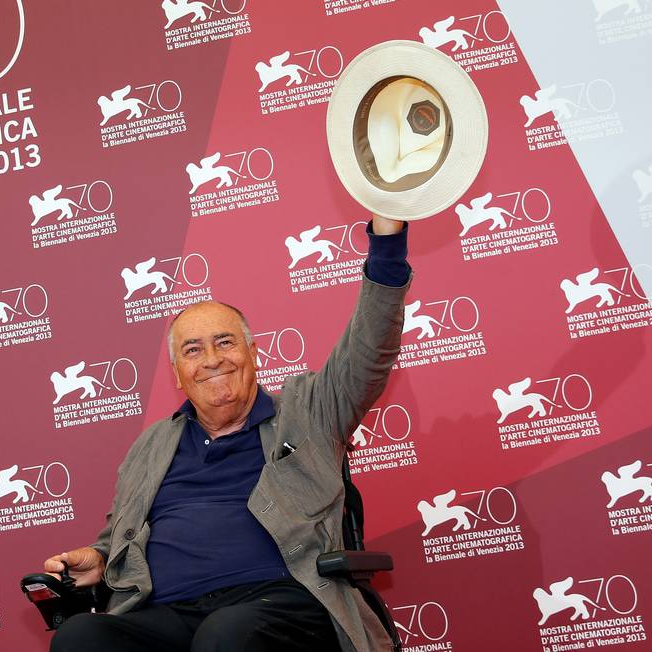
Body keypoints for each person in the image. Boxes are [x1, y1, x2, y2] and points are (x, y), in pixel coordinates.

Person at [44, 213, 411, 652]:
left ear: (254, 354)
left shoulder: (308, 410)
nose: (213, 359)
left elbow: (370, 350)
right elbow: (120, 532)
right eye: (193, 350)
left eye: (225, 342)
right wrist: (101, 558)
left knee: (224, 634)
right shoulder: (152, 445)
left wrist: (387, 242)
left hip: (281, 602)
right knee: (80, 637)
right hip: (171, 611)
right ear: (178, 375)